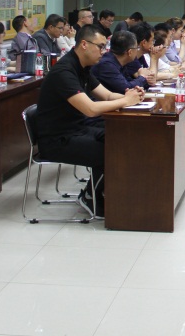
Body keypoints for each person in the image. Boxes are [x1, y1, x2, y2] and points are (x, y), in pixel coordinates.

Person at [36, 24, 143, 218]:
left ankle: (107, 191)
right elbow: (90, 109)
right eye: (100, 47)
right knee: (112, 151)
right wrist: (126, 101)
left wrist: (131, 96)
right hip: (57, 138)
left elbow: (107, 95)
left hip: (77, 128)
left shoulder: (83, 67)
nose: (104, 51)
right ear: (84, 44)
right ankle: (90, 196)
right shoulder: (64, 71)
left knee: (120, 139)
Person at [90, 28, 152, 93]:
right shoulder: (106, 65)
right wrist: (142, 77)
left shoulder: (121, 62)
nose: (137, 51)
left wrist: (147, 80)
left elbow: (130, 82)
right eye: (137, 48)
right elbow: (126, 89)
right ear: (130, 52)